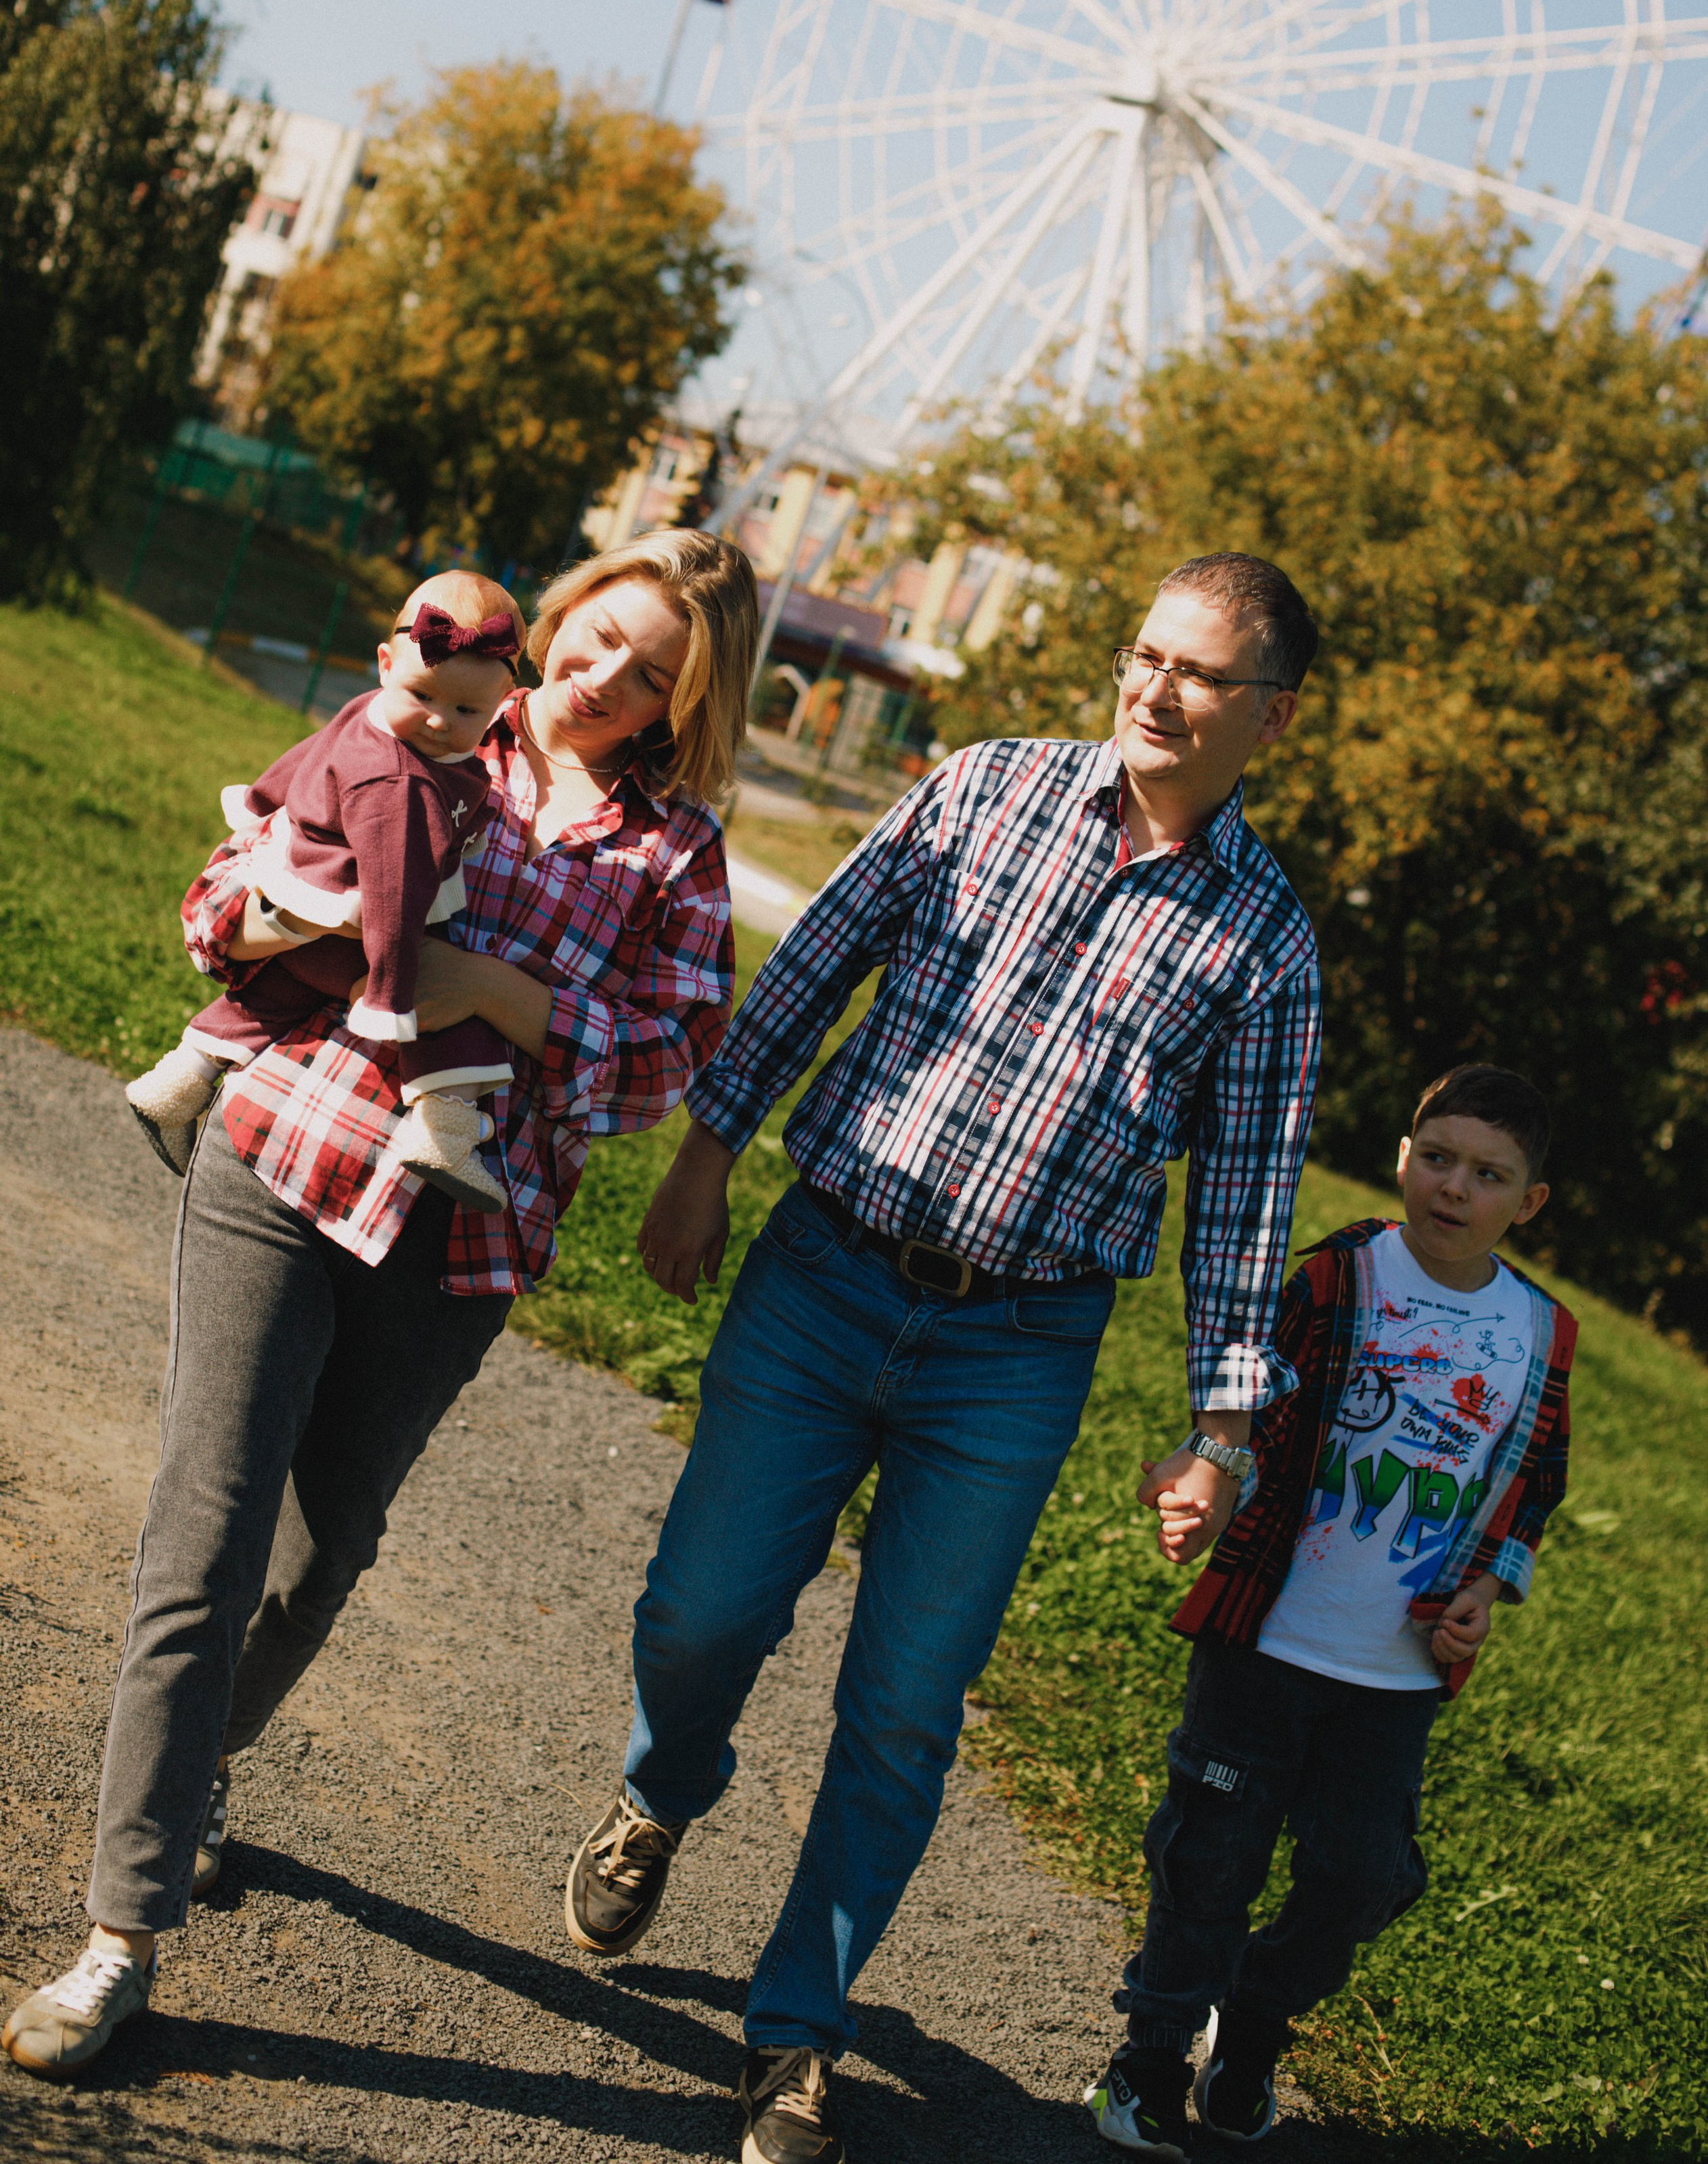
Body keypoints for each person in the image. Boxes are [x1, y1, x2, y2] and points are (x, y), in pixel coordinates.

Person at [565, 551, 1324, 2164]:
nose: (1152, 687)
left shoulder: (1265, 945)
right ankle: (661, 1787)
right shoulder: (981, 789)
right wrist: (709, 1145)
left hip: (1017, 1347)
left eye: (1196, 672)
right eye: (1142, 652)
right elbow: (818, 958)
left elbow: (1244, 1204)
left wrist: (1220, 1427)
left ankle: (795, 2032)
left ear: (1269, 711)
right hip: (826, 1269)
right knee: (699, 1612)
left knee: (905, 1704)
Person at [2, 529, 759, 2083]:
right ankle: (117, 1935)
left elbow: (658, 1063)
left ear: (677, 711)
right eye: (596, 638)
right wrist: (304, 912)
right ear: (550, 623)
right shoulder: (409, 717)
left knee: (324, 1544)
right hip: (283, 1151)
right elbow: (222, 907)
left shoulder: (670, 855)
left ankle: (204, 1754)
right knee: (200, 1536)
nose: (600, 678)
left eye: (647, 676)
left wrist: (484, 988)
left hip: (460, 1235)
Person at [1085, 1063, 1574, 2158]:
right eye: (1436, 1156)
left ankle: (1254, 2025)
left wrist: (1485, 1592)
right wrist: (1207, 1465)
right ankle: (1153, 2054)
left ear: (1528, 1202)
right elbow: (1256, 1400)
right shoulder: (1340, 1279)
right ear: (1402, 1158)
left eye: (1488, 1175)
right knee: (1213, 1853)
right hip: (1268, 1636)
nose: (1454, 1188)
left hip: (1394, 1676)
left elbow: (1532, 1484)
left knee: (1359, 1871)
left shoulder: (1541, 1337)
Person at [125, 570, 529, 1212]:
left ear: (504, 700)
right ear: (386, 663)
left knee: (275, 995)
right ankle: (444, 1134)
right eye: (423, 693)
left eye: (465, 712)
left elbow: (306, 755)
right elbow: (396, 893)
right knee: (454, 1015)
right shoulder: (405, 785)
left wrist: (260, 799)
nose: (435, 720)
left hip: (302, 905)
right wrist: (391, 997)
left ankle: (178, 1080)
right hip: (358, 919)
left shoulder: (366, 716)